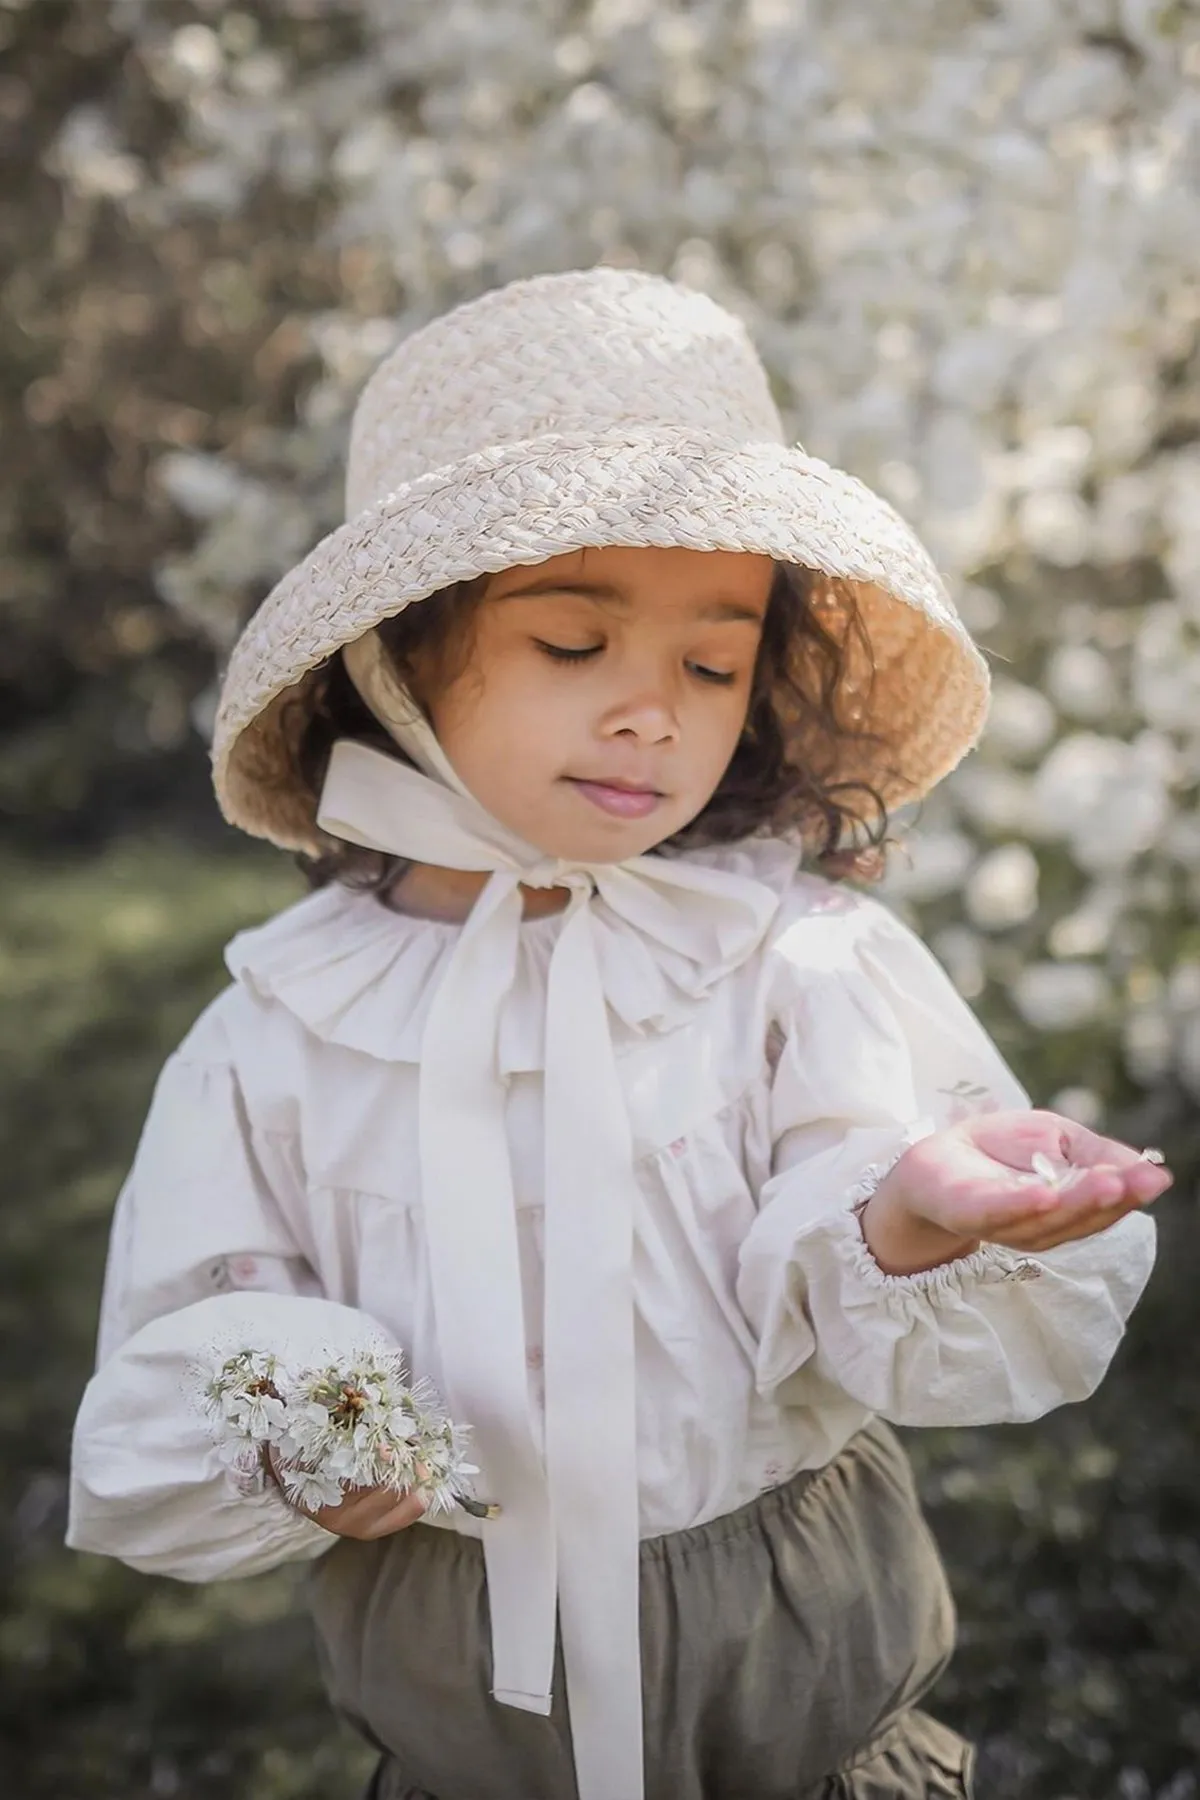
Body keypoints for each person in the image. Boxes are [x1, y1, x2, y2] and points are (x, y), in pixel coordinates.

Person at [67, 268, 1166, 1800]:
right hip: (472, 1714)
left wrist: (909, 1215)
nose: (654, 710)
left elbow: (848, 1234)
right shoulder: (278, 1038)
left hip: (797, 1666)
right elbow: (200, 1323)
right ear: (391, 663)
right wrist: (305, 1423)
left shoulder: (794, 961)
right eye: (574, 646)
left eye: (711, 663)